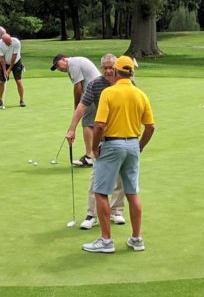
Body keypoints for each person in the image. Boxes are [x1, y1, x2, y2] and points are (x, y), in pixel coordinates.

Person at [82, 55, 155, 254]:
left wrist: (95, 148)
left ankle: (106, 241)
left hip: (112, 144)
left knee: (100, 192)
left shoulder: (109, 92)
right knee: (132, 193)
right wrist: (139, 146)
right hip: (132, 144)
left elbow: (99, 125)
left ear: (115, 71)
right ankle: (136, 239)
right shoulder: (141, 94)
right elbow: (150, 127)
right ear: (132, 72)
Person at [64, 54, 126, 229]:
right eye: (104, 67)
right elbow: (82, 107)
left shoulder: (125, 83)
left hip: (122, 136)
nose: (107, 70)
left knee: (120, 176)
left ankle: (116, 211)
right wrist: (72, 128)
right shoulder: (95, 84)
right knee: (97, 176)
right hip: (103, 137)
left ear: (117, 67)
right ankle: (92, 214)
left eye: (111, 67)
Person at [51, 54, 101, 167]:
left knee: (87, 123)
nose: (59, 69)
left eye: (58, 65)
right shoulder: (75, 63)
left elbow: (78, 88)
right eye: (57, 69)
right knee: (96, 122)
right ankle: (97, 151)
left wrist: (77, 106)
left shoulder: (72, 63)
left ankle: (89, 156)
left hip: (94, 92)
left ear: (64, 59)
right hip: (98, 90)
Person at [0, 33, 25, 107]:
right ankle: (0, 100)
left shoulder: (16, 42)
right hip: (5, 62)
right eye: (8, 42)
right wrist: (5, 70)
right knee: (2, 82)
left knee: (18, 81)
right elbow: (1, 58)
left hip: (16, 62)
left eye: (10, 41)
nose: (10, 43)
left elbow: (14, 56)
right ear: (3, 41)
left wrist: (9, 69)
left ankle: (21, 100)